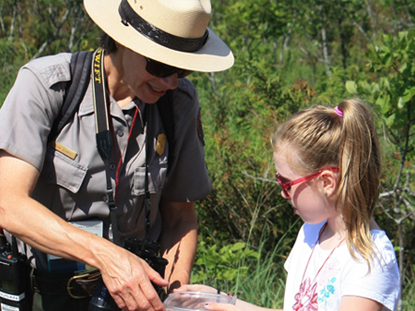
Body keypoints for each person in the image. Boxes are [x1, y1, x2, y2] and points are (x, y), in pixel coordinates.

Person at [0, 0, 234, 310]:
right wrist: (107, 257)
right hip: (45, 297)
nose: (171, 81)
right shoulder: (48, 86)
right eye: (162, 66)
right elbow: (8, 204)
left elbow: (180, 216)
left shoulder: (178, 103)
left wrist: (175, 294)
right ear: (124, 42)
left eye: (183, 68)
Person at [176, 99, 400, 311]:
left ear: (326, 183)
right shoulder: (311, 233)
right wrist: (222, 300)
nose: (283, 194)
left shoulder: (371, 260)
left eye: (286, 183)